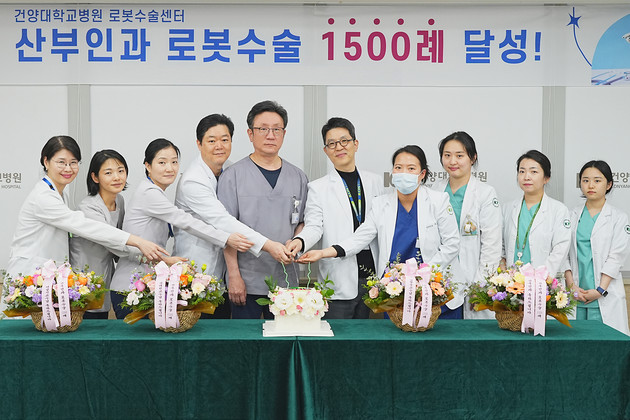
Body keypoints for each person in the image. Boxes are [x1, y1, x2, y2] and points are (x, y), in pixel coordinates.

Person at [297, 145, 462, 316]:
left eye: (411, 168)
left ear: (422, 174)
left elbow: (451, 244)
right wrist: (323, 253)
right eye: (398, 167)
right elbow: (358, 239)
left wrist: (422, 274)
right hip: (395, 293)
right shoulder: (381, 204)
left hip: (434, 292)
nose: (403, 173)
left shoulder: (438, 201)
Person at [110, 138, 255, 319]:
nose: (169, 168)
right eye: (162, 162)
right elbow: (186, 221)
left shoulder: (154, 191)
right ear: (148, 166)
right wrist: (226, 238)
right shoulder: (149, 193)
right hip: (129, 288)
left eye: (174, 162)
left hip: (144, 286)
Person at [5, 136, 165, 289]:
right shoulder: (43, 197)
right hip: (28, 273)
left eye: (73, 163)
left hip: (48, 276)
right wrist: (138, 241)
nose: (68, 168)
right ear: (46, 162)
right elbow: (84, 225)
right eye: (61, 162)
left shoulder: (60, 193)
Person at [174, 114, 292, 319]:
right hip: (197, 270)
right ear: (199, 143)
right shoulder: (193, 180)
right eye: (212, 141)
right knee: (202, 330)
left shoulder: (230, 169)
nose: (219, 146)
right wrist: (269, 245)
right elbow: (223, 220)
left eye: (225, 139)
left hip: (221, 275)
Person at [286, 117, 386, 319]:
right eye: (332, 143)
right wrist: (300, 241)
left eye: (344, 141)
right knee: (336, 334)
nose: (339, 147)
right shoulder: (318, 188)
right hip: (339, 275)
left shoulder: (376, 182)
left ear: (355, 144)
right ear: (326, 150)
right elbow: (314, 226)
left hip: (372, 275)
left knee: (365, 334)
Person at [218, 100, 309, 319]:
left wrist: (297, 241)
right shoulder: (233, 176)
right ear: (250, 134)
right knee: (245, 338)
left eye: (276, 129)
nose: (270, 135)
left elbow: (303, 222)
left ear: (284, 134)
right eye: (263, 129)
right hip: (246, 281)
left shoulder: (298, 176)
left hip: (286, 280)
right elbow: (225, 231)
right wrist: (234, 276)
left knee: (284, 338)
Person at [432, 132, 502, 319]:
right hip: (441, 278)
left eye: (459, 155)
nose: (452, 161)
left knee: (471, 332)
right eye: (447, 155)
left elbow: (492, 244)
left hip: (473, 276)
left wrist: (480, 284)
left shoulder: (485, 193)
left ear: (473, 158)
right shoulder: (434, 191)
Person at [563, 160, 630, 335]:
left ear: (609, 185)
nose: (590, 185)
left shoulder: (619, 218)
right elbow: (563, 254)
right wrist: (571, 285)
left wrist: (600, 289)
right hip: (575, 294)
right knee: (573, 342)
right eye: (585, 180)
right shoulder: (570, 215)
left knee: (606, 343)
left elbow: (616, 257)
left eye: (597, 180)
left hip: (604, 293)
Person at [69, 149, 130, 319]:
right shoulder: (88, 207)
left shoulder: (119, 200)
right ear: (95, 177)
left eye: (121, 171)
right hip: (83, 278)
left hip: (104, 274)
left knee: (101, 320)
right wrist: (149, 252)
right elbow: (114, 242)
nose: (117, 177)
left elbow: (120, 235)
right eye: (108, 173)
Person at [502, 150, 571, 278]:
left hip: (542, 284)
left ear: (546, 178)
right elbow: (501, 247)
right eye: (522, 171)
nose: (526, 177)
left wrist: (540, 278)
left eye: (533, 172)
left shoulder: (558, 210)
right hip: (511, 283)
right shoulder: (507, 208)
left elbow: (560, 250)